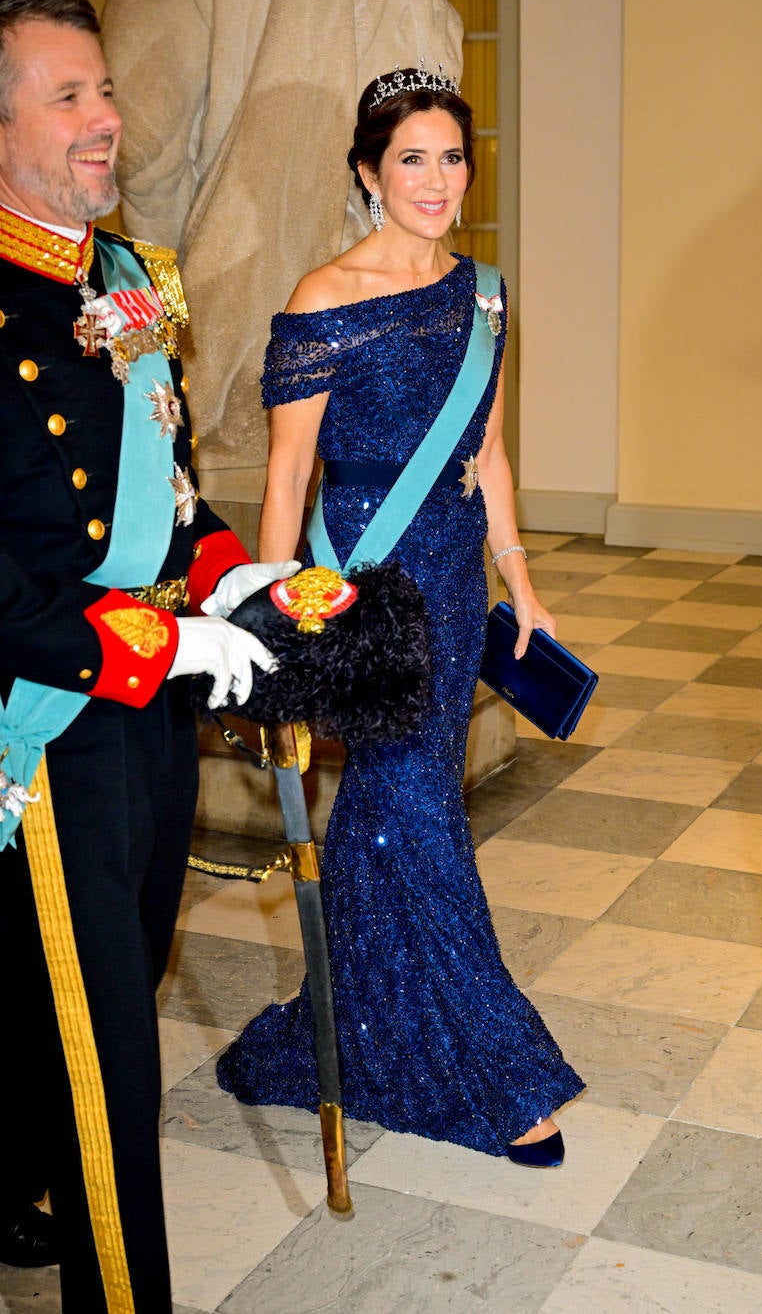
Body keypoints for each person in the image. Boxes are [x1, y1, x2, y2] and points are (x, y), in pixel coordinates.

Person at [216, 66, 585, 1165]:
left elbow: (490, 450)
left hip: (454, 576)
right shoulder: (322, 297)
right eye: (410, 158)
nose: (435, 178)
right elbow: (286, 480)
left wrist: (520, 578)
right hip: (362, 585)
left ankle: (362, 1029)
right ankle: (496, 1066)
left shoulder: (486, 293)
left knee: (392, 807)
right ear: (369, 173)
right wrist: (270, 626)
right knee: (417, 809)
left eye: (452, 155)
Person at [0, 0, 296, 1313]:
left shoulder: (129, 279)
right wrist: (147, 651)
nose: (106, 119)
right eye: (68, 96)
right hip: (49, 719)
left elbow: (172, 487)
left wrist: (237, 581)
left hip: (152, 707)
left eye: (105, 88)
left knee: (122, 963)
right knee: (110, 1052)